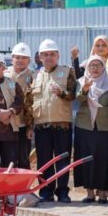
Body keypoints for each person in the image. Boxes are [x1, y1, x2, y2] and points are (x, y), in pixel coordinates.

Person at [31, 39, 77, 203]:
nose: (49, 57)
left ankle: (63, 192)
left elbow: (74, 94)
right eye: (45, 55)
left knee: (62, 160)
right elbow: (30, 102)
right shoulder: (35, 75)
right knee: (44, 161)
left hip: (61, 125)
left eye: (52, 54)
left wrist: (62, 93)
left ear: (58, 56)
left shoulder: (67, 71)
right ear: (40, 57)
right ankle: (45, 191)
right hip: (41, 125)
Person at [73, 55, 108, 204]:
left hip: (105, 127)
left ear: (103, 67)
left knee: (103, 160)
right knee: (86, 159)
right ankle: (89, 192)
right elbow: (78, 99)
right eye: (92, 65)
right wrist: (84, 90)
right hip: (84, 126)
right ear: (88, 67)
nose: (95, 68)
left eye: (98, 65)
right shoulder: (81, 81)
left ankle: (103, 193)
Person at [6, 43, 34, 169]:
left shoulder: (34, 76)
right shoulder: (5, 74)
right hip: (7, 124)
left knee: (23, 159)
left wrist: (30, 127)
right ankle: (8, 187)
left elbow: (35, 103)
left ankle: (24, 188)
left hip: (24, 124)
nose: (20, 60)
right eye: (17, 57)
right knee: (8, 158)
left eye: (24, 58)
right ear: (12, 58)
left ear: (29, 60)